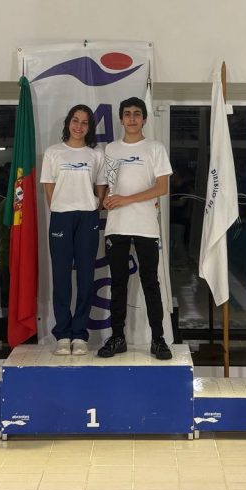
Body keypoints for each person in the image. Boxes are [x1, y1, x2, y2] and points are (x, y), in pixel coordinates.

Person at [99, 97, 174, 360]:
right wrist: (105, 200)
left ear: (144, 119)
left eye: (137, 114)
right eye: (127, 114)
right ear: (121, 119)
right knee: (118, 283)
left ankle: (158, 339)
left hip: (145, 226)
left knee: (150, 282)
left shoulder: (155, 148)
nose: (132, 118)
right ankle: (117, 337)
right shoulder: (111, 148)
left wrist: (126, 199)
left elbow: (162, 187)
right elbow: (108, 186)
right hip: (117, 225)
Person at [40, 104, 106, 356]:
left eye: (84, 122)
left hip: (87, 217)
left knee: (86, 277)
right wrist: (58, 207)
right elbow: (48, 186)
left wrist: (95, 204)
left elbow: (101, 185)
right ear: (68, 123)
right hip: (61, 217)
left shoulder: (95, 154)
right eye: (75, 120)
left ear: (90, 127)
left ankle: (79, 334)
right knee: (61, 277)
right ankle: (63, 334)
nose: (79, 126)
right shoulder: (53, 152)